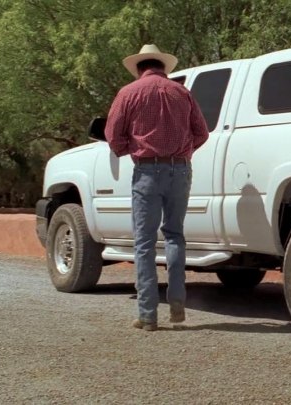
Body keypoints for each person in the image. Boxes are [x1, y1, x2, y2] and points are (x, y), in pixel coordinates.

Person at [104, 44, 209, 331]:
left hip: (147, 171)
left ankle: (148, 315)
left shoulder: (128, 93)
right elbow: (202, 132)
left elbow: (113, 137)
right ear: (163, 67)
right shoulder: (182, 93)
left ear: (139, 68)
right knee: (174, 235)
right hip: (180, 170)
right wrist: (183, 152)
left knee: (145, 243)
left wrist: (132, 147)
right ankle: (177, 306)